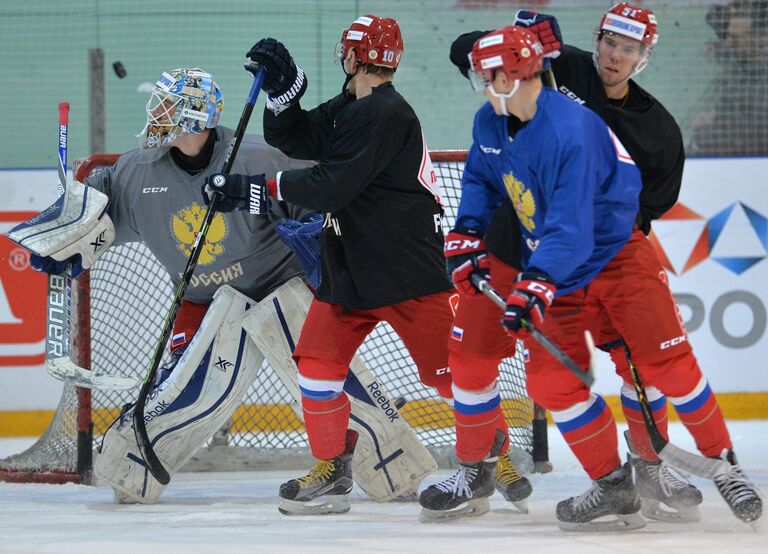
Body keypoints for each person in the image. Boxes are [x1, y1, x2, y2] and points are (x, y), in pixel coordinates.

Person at [421, 24, 762, 530]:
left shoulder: (571, 131)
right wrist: (467, 233)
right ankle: (613, 486)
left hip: (612, 255)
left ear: (518, 77)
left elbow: (572, 226)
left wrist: (535, 284)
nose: (483, 86)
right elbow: (481, 177)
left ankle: (727, 467)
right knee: (551, 381)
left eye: (491, 77)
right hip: (553, 259)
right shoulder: (490, 122)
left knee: (667, 367)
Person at [205, 15, 536, 516]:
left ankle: (494, 456)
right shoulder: (350, 107)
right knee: (316, 368)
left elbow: (330, 186)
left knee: (453, 375)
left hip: (407, 273)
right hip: (350, 270)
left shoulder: (387, 114)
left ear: (354, 56)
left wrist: (255, 192)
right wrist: (284, 93)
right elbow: (296, 141)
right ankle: (334, 472)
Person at [10, 66, 316, 503]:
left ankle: (360, 449)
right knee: (180, 389)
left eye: (168, 106)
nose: (157, 114)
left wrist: (322, 246)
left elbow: (321, 201)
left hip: (281, 289)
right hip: (202, 301)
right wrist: (66, 230)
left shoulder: (261, 156)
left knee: (323, 377)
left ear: (196, 116)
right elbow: (96, 216)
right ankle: (135, 457)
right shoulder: (138, 171)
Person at [448, 3, 697, 523]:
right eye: (610, 42)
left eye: (628, 49)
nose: (615, 55)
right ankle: (475, 469)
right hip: (507, 250)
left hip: (587, 264)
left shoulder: (658, 132)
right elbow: (464, 51)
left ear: (643, 56)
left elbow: (644, 209)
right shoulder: (559, 64)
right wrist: (519, 37)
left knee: (636, 363)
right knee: (470, 360)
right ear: (598, 38)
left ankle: (647, 466)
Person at [690, 0, 768, 156]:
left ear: (758, 39)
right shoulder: (735, 64)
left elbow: (759, 125)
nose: (728, 43)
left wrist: (713, 124)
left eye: (735, 38)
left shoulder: (762, 79)